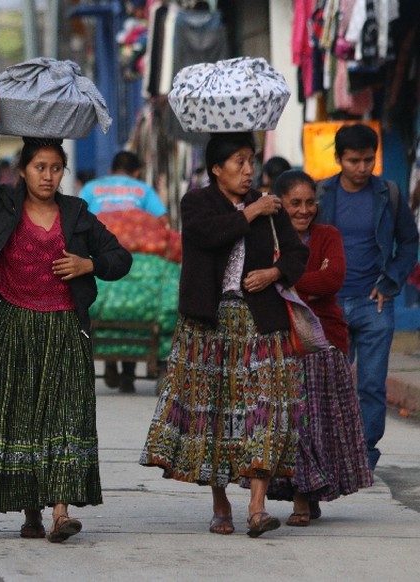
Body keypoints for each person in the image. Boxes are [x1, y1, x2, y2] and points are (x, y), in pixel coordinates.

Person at [0, 88, 133, 543]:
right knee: (21, 418)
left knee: (63, 417)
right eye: (40, 168)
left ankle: (60, 512)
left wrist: (90, 264)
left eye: (55, 169)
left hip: (65, 328)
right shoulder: (4, 208)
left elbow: (121, 258)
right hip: (16, 327)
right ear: (24, 171)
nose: (48, 176)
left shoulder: (77, 214)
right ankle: (30, 512)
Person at [139, 132, 309, 538]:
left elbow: (296, 253)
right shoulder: (197, 202)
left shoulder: (270, 207)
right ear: (216, 168)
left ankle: (257, 505)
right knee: (212, 416)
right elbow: (208, 235)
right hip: (208, 324)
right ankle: (220, 504)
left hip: (260, 321)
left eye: (251, 161)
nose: (248, 169)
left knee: (267, 409)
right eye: (238, 162)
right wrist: (251, 212)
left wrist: (274, 272)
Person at [262, 170, 373, 526]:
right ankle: (300, 495)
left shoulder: (328, 235)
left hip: (324, 341)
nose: (304, 210)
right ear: (280, 204)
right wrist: (301, 281)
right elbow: (261, 282)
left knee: (317, 425)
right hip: (281, 341)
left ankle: (307, 494)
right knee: (292, 423)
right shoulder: (267, 237)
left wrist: (280, 277)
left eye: (310, 202)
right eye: (295, 203)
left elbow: (333, 278)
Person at [315, 123, 419, 473]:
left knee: (372, 385)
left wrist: (391, 281)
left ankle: (363, 458)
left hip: (375, 304)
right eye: (354, 161)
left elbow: (409, 241)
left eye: (368, 160)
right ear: (339, 159)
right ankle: (330, 454)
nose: (362, 168)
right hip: (329, 305)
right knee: (332, 384)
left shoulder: (388, 193)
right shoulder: (320, 194)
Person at [78, 150, 169, 392]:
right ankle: (128, 371)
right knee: (139, 300)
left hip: (101, 253)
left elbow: (77, 220)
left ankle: (111, 360)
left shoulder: (91, 188)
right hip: (138, 257)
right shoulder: (143, 190)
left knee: (108, 296)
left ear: (111, 171)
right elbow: (163, 223)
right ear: (137, 172)